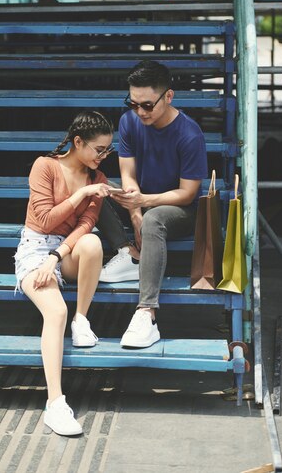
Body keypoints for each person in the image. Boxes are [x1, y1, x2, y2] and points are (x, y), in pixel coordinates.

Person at [13, 110, 114, 436]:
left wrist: (56, 258)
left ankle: (81, 319)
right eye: (99, 150)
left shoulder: (97, 179)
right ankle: (55, 404)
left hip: (62, 253)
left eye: (108, 151)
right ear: (77, 142)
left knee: (93, 243)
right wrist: (81, 194)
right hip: (34, 248)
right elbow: (44, 221)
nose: (103, 156)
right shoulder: (45, 166)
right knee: (55, 311)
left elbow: (85, 225)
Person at [99, 60, 208, 348]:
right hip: (141, 202)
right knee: (93, 188)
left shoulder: (189, 133)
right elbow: (128, 175)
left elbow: (187, 193)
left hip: (179, 209)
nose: (140, 111)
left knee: (154, 219)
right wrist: (135, 212)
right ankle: (131, 254)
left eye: (147, 105)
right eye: (133, 103)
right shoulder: (129, 121)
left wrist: (143, 205)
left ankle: (147, 312)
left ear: (168, 96)